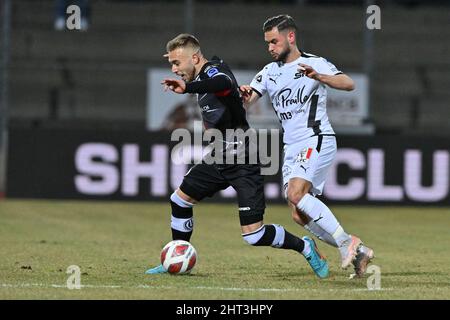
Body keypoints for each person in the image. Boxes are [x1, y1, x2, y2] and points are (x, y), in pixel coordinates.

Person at [145, 33, 329, 278]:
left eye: (177, 63)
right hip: (218, 157)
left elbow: (222, 83)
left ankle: (305, 246)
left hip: (244, 160)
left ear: (196, 58)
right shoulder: (206, 74)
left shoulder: (212, 74)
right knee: (180, 200)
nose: (174, 69)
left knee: (253, 235)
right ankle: (177, 255)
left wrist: (187, 87)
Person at [239, 15, 374, 277]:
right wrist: (243, 97)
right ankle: (358, 251)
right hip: (291, 147)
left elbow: (348, 83)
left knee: (297, 195)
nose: (270, 48)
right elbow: (247, 100)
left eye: (274, 42)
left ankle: (347, 243)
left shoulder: (314, 63)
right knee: (299, 214)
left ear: (291, 37)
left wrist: (320, 77)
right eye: (267, 43)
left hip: (316, 138)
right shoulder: (269, 72)